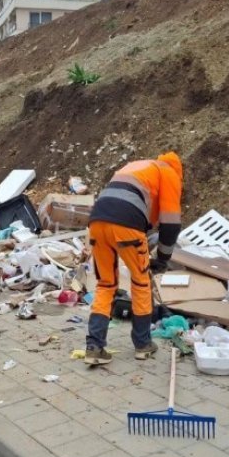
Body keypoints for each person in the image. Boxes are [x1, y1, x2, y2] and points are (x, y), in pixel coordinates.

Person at [84, 151, 183, 365]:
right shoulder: (170, 173)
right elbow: (171, 224)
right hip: (126, 224)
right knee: (141, 282)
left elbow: (130, 203)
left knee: (106, 283)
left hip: (96, 222)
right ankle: (142, 344)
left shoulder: (138, 167)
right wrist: (163, 260)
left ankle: (94, 347)